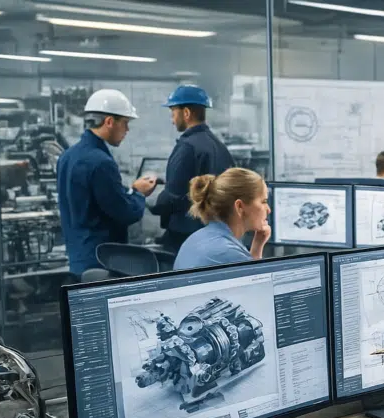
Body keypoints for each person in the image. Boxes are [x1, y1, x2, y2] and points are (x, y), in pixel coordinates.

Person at [56, 89, 157, 278]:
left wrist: (130, 190)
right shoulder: (101, 162)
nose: (127, 130)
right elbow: (125, 212)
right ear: (109, 122)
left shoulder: (67, 156)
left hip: (78, 257)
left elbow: (94, 200)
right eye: (125, 123)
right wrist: (139, 193)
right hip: (102, 260)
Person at [151, 85, 235, 252]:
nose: (172, 120)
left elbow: (173, 196)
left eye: (173, 112)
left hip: (185, 236)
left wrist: (148, 201)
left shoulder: (187, 147)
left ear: (186, 113)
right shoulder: (219, 147)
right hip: (213, 233)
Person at [173, 168, 270, 270]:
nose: (268, 210)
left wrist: (257, 245)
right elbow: (256, 277)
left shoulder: (196, 238)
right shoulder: (228, 253)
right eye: (263, 201)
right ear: (239, 207)